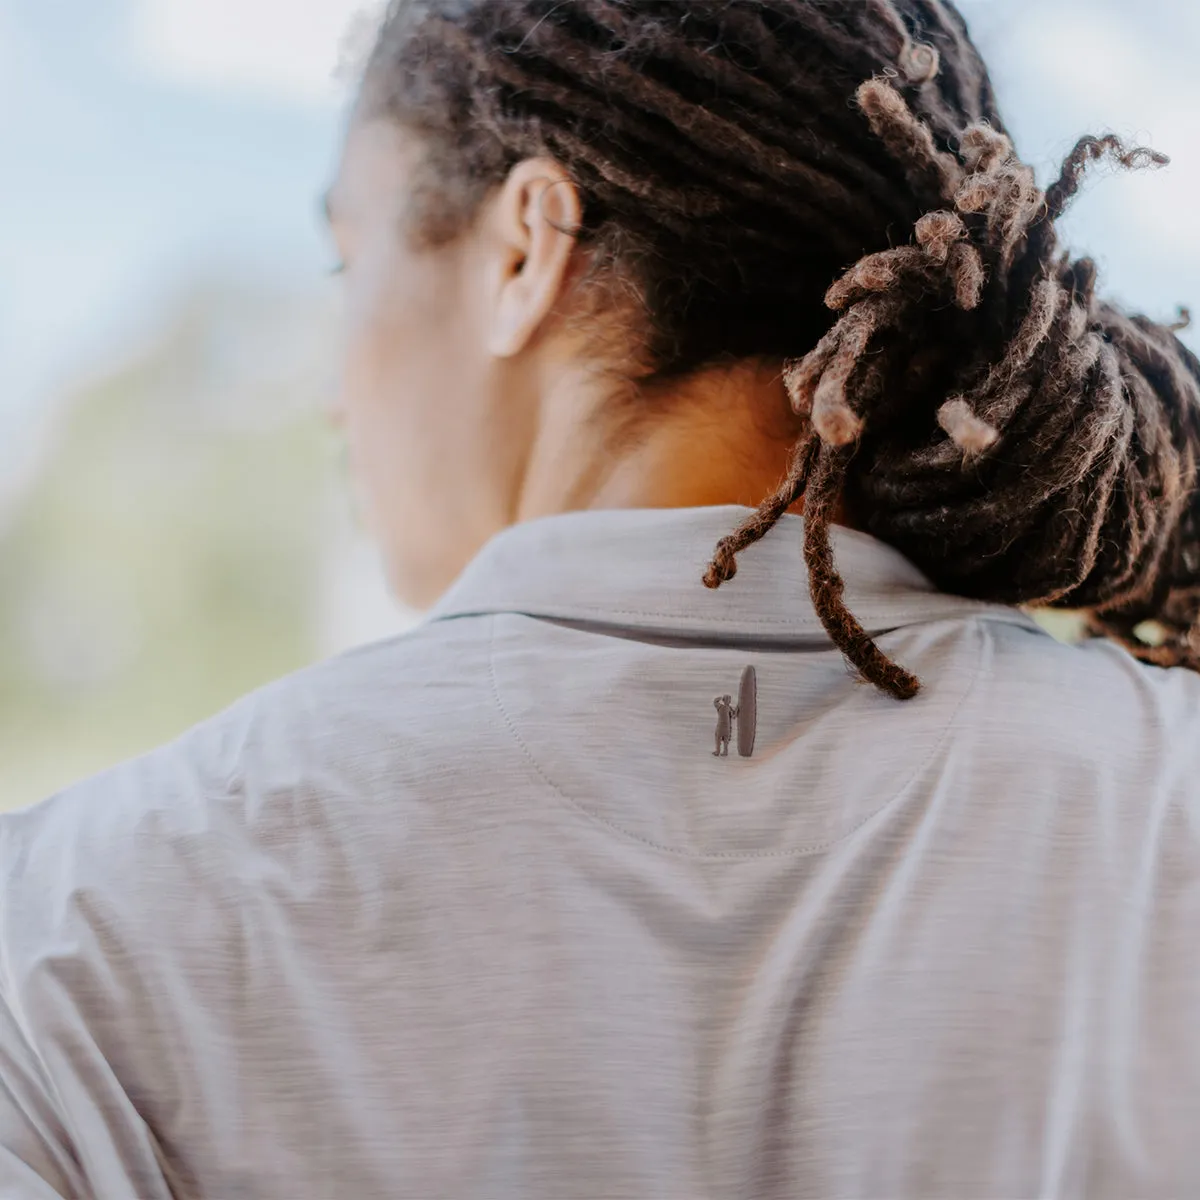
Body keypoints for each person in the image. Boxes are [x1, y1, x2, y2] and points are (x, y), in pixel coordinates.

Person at [3, 0, 1200, 1195]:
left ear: (525, 248)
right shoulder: (1167, 801)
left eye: (346, 260)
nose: (332, 393)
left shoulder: (68, 923)